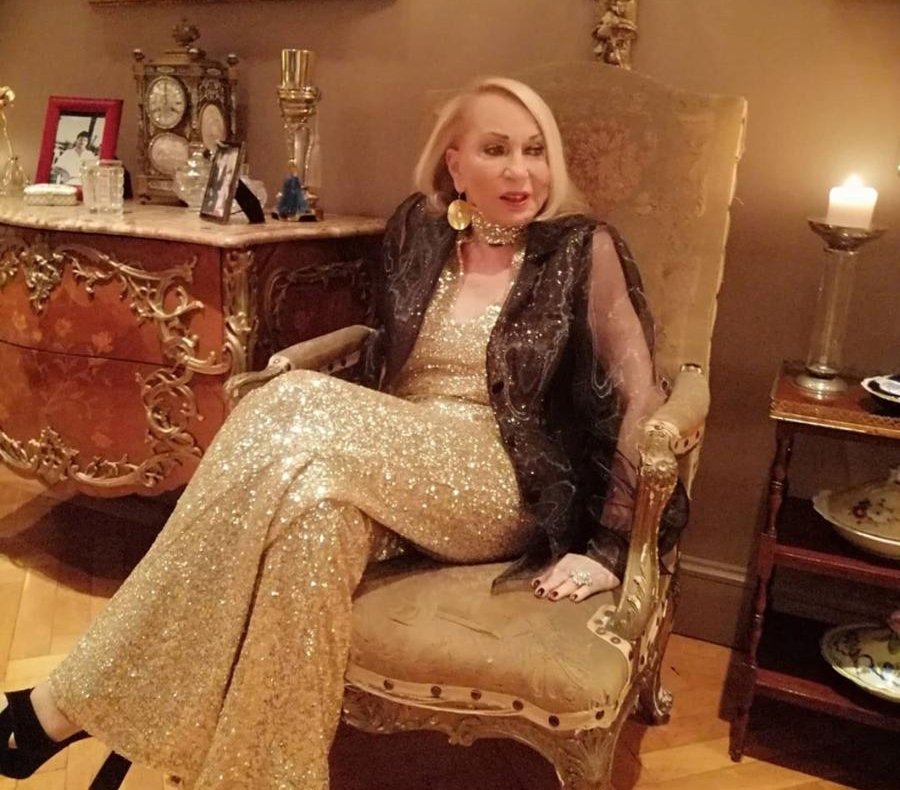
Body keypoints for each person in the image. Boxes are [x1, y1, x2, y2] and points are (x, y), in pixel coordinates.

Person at [0, 76, 687, 789]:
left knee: (288, 399)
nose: (521, 171)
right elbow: (383, 357)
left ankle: (65, 705)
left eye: (535, 150)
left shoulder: (581, 249)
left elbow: (640, 395)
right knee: (313, 524)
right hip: (394, 459)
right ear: (455, 165)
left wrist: (611, 548)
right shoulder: (420, 233)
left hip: (501, 478)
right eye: (496, 150)